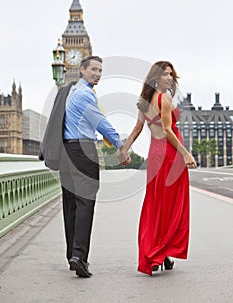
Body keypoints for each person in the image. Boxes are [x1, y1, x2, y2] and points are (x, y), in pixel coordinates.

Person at [41, 55, 130, 278]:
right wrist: (121, 146)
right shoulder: (86, 95)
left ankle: (72, 252)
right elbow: (101, 124)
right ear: (82, 70)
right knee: (85, 203)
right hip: (83, 150)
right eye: (93, 70)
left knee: (70, 204)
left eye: (100, 71)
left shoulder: (68, 92)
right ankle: (79, 256)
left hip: (65, 152)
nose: (98, 74)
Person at [119, 61, 196, 276]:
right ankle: (161, 252)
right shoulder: (165, 98)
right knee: (172, 205)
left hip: (155, 156)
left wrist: (125, 149)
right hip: (170, 157)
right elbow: (169, 131)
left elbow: (137, 129)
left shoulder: (144, 102)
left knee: (156, 204)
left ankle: (159, 254)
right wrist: (185, 153)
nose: (169, 78)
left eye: (171, 75)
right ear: (155, 78)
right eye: (165, 75)